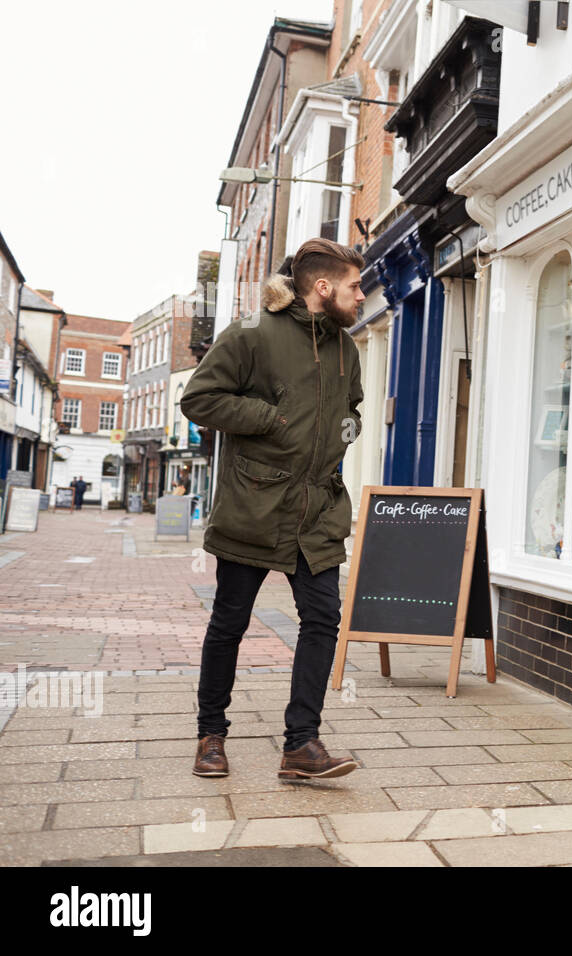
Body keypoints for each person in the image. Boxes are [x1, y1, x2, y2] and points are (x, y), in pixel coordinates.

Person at [181, 237, 365, 780]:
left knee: (323, 620)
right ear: (323, 287)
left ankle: (301, 746)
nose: (361, 297)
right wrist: (271, 419)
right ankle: (210, 735)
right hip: (255, 506)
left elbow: (351, 408)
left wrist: (343, 434)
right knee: (229, 624)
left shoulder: (345, 348)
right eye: (354, 287)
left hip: (319, 512)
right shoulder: (251, 335)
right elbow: (200, 399)